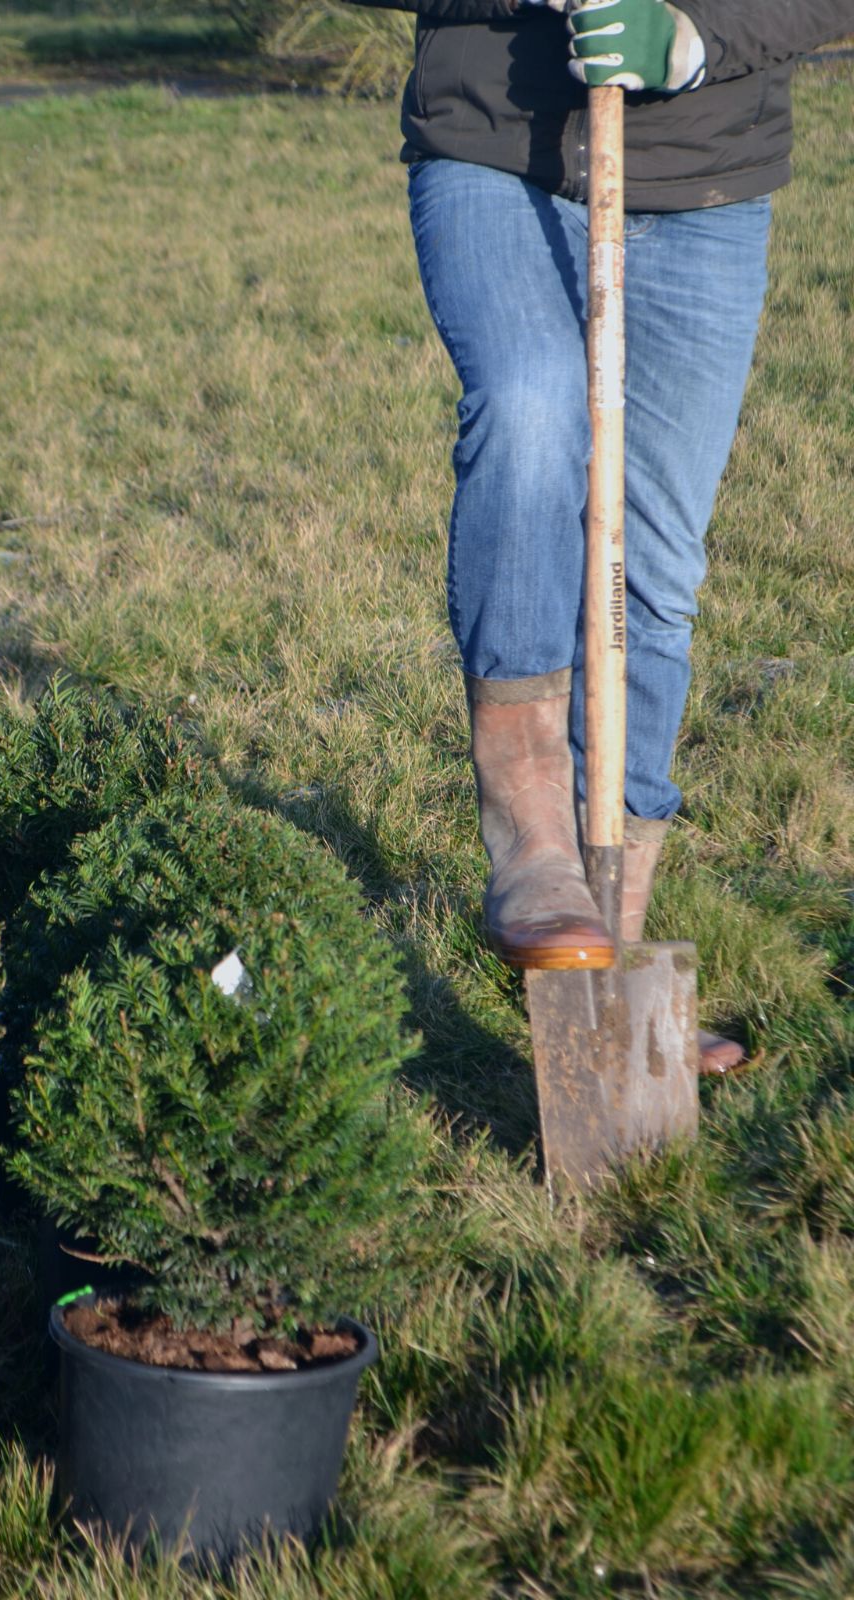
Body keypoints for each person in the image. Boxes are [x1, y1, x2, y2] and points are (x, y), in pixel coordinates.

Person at [353, 0, 854, 1072]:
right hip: (496, 144)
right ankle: (531, 827)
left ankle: (607, 955)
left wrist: (698, 35)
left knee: (655, 559)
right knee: (532, 408)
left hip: (707, 174)